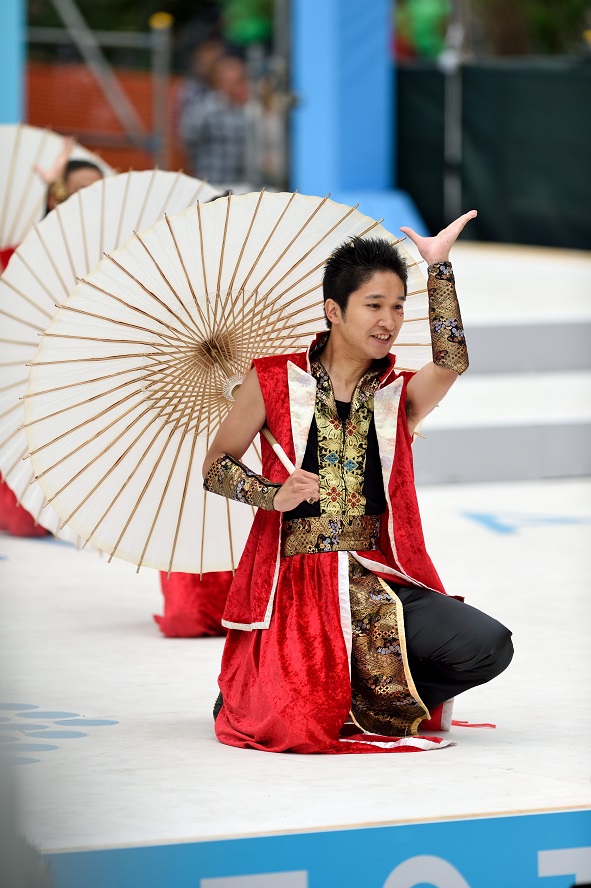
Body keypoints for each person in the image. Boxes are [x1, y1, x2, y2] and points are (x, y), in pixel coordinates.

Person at [201, 210, 513, 755]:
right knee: (291, 723)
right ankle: (263, 693)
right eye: (374, 305)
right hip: (297, 577)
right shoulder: (273, 378)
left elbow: (452, 362)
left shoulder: (396, 391)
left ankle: (359, 700)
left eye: (396, 306)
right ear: (333, 311)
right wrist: (273, 494)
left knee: (489, 646)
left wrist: (438, 271)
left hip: (378, 570)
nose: (388, 320)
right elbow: (216, 467)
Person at [179, 55, 251, 187]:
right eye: (232, 79)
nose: (237, 84)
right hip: (211, 183)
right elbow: (187, 138)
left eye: (239, 79)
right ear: (219, 79)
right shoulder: (204, 107)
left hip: (242, 185)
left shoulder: (247, 110)